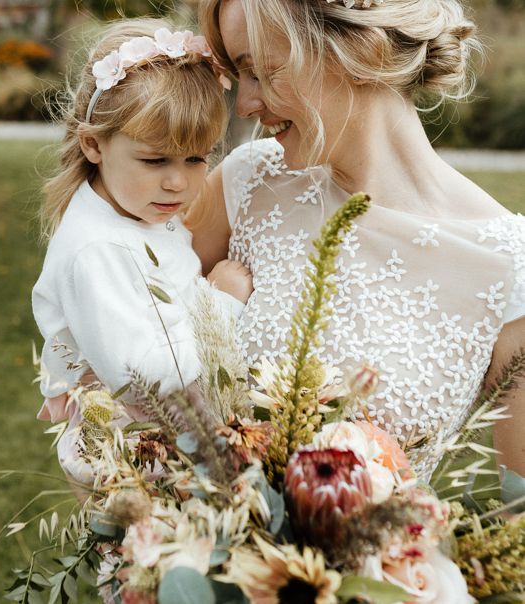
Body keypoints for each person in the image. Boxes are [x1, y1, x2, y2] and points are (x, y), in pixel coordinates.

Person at [190, 0, 525, 482]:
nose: (244, 104)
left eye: (260, 71)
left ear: (358, 48)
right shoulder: (245, 184)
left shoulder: (507, 265)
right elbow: (116, 358)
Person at [32, 19, 253, 441]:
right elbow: (140, 379)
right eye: (155, 161)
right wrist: (221, 306)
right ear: (94, 145)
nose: (178, 182)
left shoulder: (135, 210)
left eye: (196, 159)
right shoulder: (96, 250)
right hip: (138, 443)